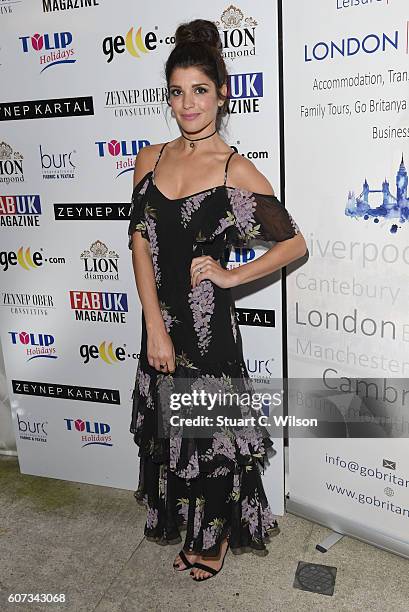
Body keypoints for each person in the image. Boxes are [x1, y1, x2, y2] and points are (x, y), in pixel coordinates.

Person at [127, 19, 307, 582]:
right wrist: (154, 326)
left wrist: (233, 277)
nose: (188, 104)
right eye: (177, 92)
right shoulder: (150, 159)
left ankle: (214, 537)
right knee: (171, 435)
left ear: (222, 94)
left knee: (213, 441)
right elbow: (139, 242)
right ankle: (190, 526)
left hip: (210, 335)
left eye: (200, 91)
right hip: (163, 326)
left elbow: (295, 242)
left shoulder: (234, 171)